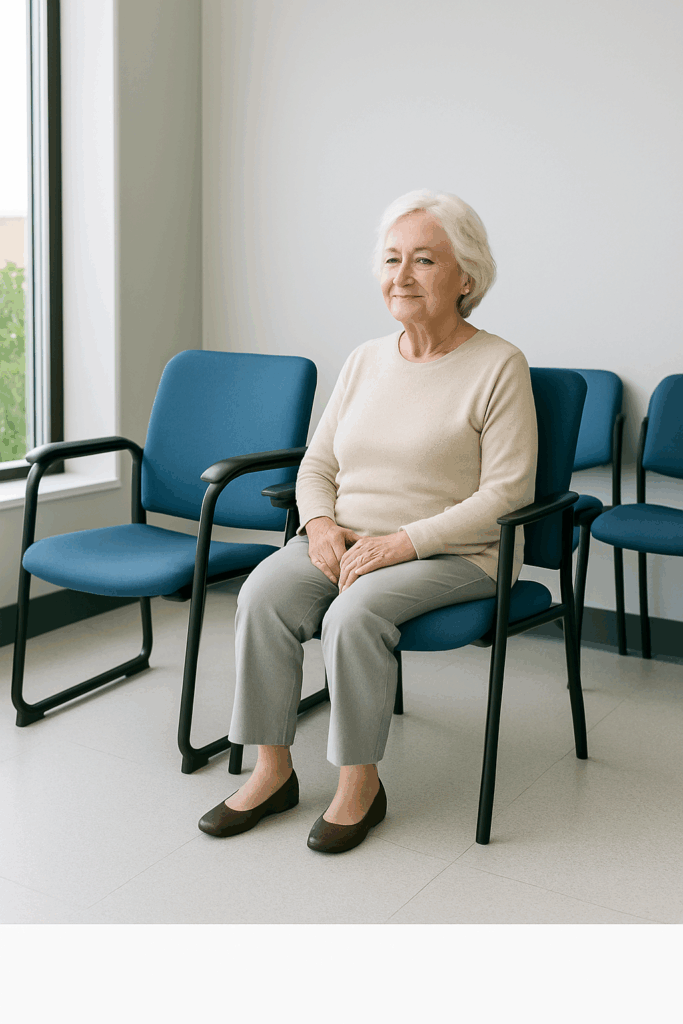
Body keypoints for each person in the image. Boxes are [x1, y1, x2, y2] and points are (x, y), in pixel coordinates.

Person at [198, 188, 538, 853]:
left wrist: (401, 543)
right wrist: (319, 524)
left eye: (422, 261)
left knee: (352, 615)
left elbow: (505, 492)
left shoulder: (498, 364)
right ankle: (272, 772)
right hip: (348, 537)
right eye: (390, 259)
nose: (400, 277)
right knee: (263, 594)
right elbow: (316, 461)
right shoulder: (362, 360)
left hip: (456, 553)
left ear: (465, 275)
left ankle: (359, 784)